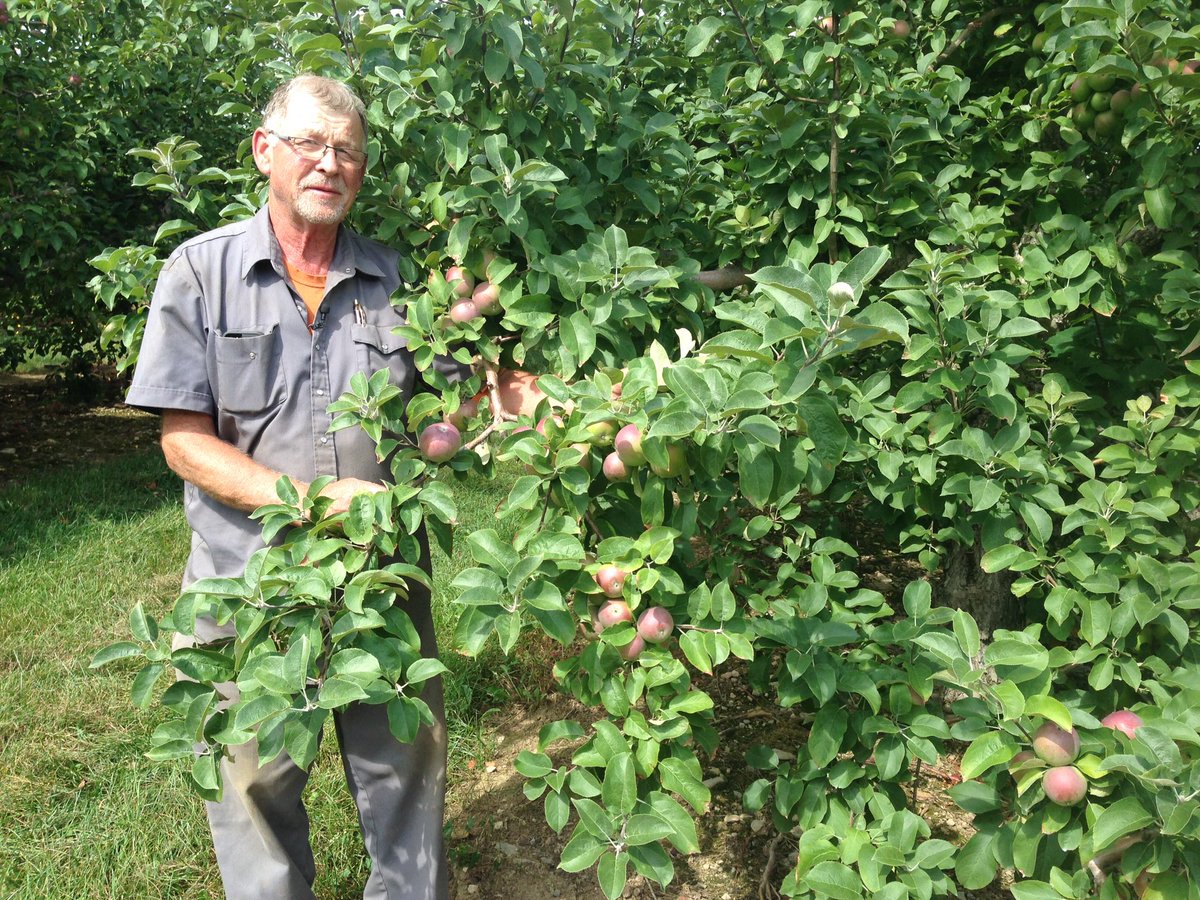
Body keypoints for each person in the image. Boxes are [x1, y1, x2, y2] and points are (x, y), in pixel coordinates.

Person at [126, 74, 470, 899]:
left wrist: (446, 434)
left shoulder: (397, 280)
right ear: (264, 151)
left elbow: (450, 403)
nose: (329, 163)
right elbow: (184, 443)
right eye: (311, 143)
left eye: (347, 149)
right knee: (253, 784)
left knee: (405, 772)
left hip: (382, 582)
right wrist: (309, 503)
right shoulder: (200, 273)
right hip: (249, 592)